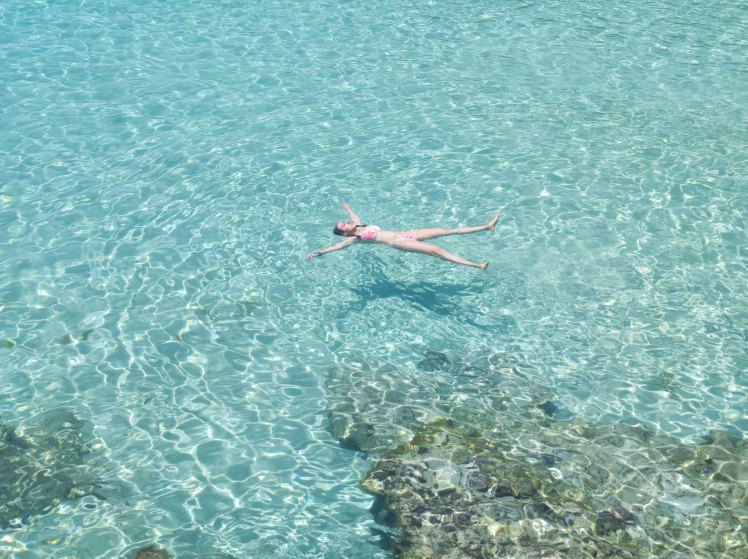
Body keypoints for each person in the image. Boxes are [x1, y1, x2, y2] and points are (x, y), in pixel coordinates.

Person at [307, 204, 500, 270]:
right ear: (345, 233)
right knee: (437, 251)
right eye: (344, 226)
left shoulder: (360, 225)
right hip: (398, 242)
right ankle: (477, 265)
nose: (347, 223)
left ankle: (486, 227)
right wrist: (320, 252)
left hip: (406, 233)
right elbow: (338, 246)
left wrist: (347, 208)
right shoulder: (355, 238)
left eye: (345, 222)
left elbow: (354, 216)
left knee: (447, 230)